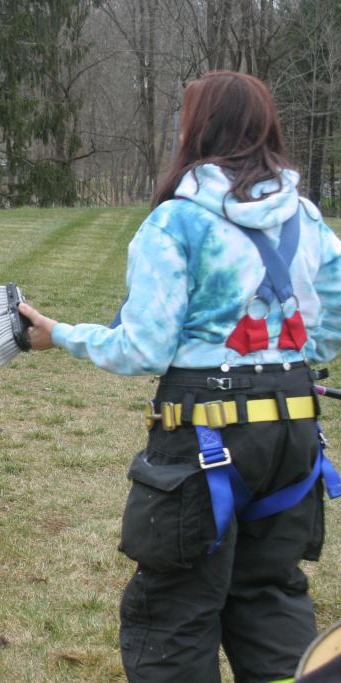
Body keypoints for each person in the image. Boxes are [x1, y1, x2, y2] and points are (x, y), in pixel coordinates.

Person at [18, 71, 341, 682]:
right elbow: (328, 330)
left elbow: (144, 348)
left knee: (173, 610)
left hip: (205, 440)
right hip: (293, 431)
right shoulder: (307, 218)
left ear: (196, 130)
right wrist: (279, 359)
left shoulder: (177, 224)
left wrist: (58, 333)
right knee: (269, 597)